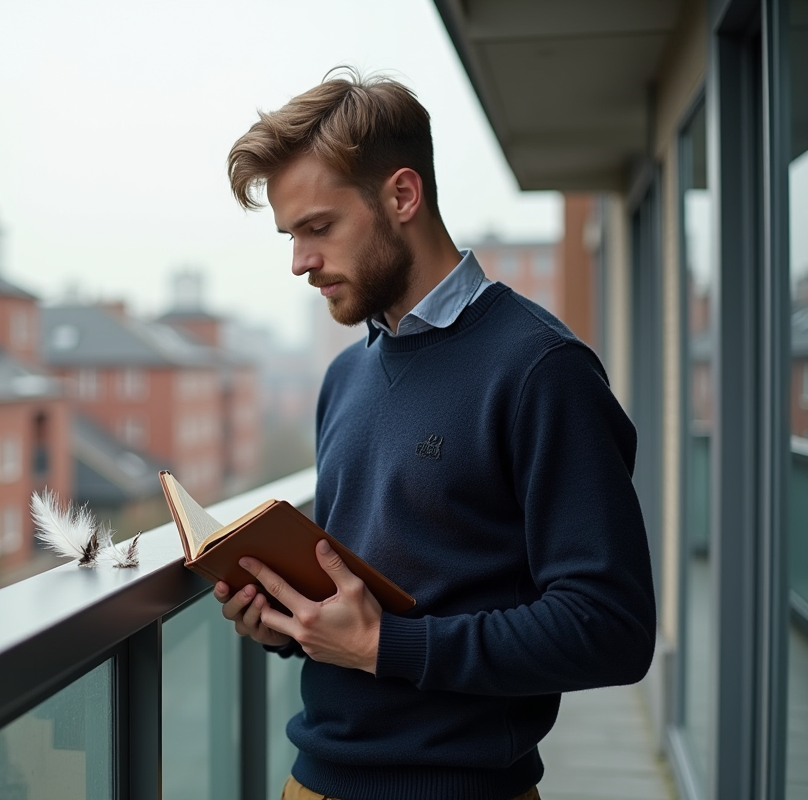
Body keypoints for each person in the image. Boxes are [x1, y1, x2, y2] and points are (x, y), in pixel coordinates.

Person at [217, 68, 656, 800]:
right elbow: (365, 590)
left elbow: (610, 627)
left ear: (402, 196)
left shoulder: (543, 370)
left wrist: (386, 647)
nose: (299, 263)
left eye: (319, 228)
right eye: (291, 236)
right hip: (311, 784)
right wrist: (286, 620)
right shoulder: (345, 379)